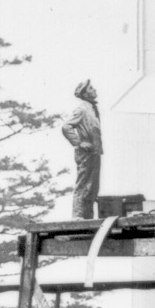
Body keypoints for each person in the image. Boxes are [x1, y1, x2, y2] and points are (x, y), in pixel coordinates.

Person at [61, 81, 102, 220]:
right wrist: (79, 143)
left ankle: (88, 217)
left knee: (93, 187)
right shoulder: (82, 109)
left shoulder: (92, 109)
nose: (94, 90)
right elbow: (66, 127)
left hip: (95, 152)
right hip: (85, 153)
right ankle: (78, 216)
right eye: (91, 88)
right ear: (85, 94)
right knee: (83, 184)